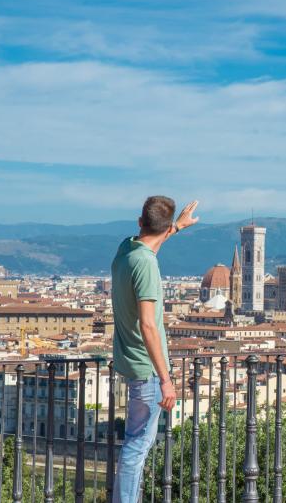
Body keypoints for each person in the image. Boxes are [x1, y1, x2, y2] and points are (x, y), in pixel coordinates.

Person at [111, 196, 199, 502]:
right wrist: (166, 379)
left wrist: (177, 227)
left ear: (140, 222)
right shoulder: (146, 264)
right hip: (147, 369)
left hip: (129, 361)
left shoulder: (126, 249)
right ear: (164, 227)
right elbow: (149, 325)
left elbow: (153, 241)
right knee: (137, 446)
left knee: (133, 444)